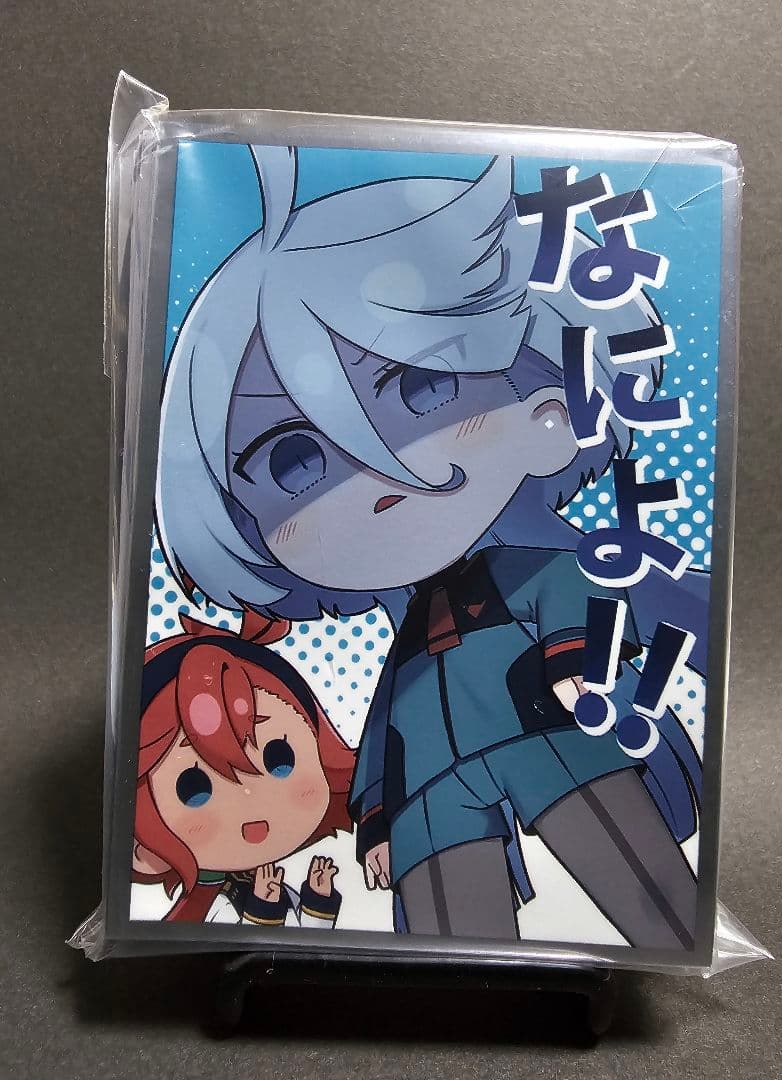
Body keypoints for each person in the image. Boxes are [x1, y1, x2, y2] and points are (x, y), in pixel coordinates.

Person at [154, 145, 704, 948]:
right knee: (446, 914)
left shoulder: (537, 571)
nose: (376, 471)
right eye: (291, 461)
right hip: (433, 785)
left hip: (547, 730)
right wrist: (377, 819)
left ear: (550, 411)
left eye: (424, 387)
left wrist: (575, 662)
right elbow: (389, 725)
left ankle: (670, 944)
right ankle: (451, 977)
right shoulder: (405, 648)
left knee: (639, 881)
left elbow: (601, 597)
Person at [133, 611, 354, 926]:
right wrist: (262, 909)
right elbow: (231, 949)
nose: (252, 804)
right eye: (194, 789)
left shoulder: (281, 881)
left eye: (280, 759)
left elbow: (311, 944)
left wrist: (318, 900)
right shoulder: (212, 905)